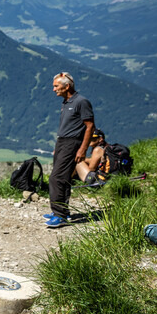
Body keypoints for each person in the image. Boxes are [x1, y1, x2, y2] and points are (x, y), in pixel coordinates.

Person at [44, 72, 94, 228]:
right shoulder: (66, 102)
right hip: (62, 142)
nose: (53, 89)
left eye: (56, 86)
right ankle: (62, 211)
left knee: (56, 178)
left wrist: (82, 149)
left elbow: (90, 126)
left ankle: (59, 215)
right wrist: (57, 146)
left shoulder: (81, 102)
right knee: (63, 177)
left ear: (67, 86)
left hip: (72, 144)